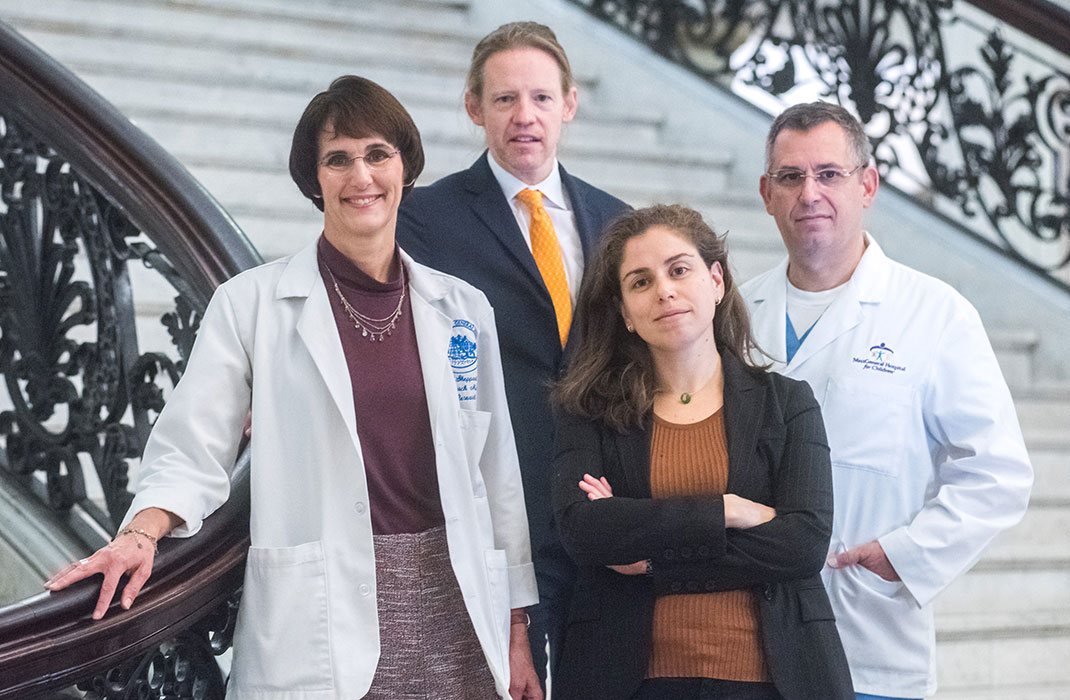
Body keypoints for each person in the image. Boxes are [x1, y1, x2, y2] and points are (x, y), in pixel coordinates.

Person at [44, 75, 542, 700]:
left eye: (377, 154)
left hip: (459, 608)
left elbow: (497, 477)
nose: (361, 176)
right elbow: (191, 447)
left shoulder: (463, 308)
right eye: (338, 159)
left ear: (405, 168)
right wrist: (139, 534)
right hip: (324, 618)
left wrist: (517, 628)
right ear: (314, 179)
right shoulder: (250, 305)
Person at [741, 101, 1034, 700]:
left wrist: (907, 555)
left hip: (868, 638)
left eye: (829, 174)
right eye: (791, 177)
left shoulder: (935, 313)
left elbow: (998, 471)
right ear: (767, 194)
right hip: (745, 640)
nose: (809, 193)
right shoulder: (736, 314)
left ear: (868, 186)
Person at [396, 21, 629, 688]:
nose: (525, 116)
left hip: (601, 507)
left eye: (541, 98)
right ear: (474, 108)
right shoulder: (423, 219)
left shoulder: (619, 222)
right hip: (490, 509)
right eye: (504, 99)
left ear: (569, 105)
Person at [550, 204, 854, 700]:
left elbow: (802, 543)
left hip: (772, 681)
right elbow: (586, 532)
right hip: (628, 681)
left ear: (716, 281)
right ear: (625, 312)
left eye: (678, 270)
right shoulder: (589, 411)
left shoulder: (787, 403)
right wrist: (727, 510)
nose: (664, 290)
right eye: (641, 282)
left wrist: (653, 562)